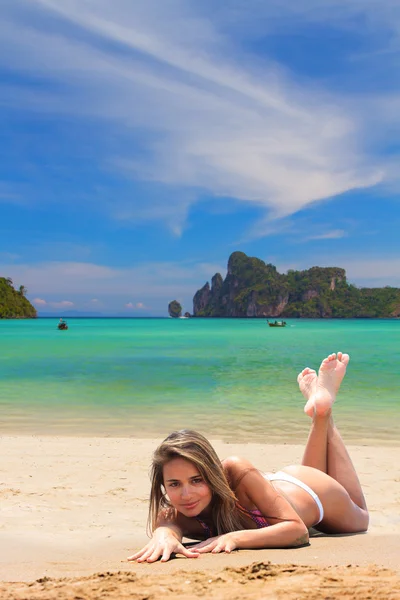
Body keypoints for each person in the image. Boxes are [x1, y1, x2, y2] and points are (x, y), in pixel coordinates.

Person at [128, 352, 369, 563]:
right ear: (163, 486)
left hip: (317, 493)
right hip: (285, 487)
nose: (186, 494)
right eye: (174, 484)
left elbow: (297, 531)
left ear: (212, 473)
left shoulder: (235, 467)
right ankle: (319, 409)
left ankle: (325, 411)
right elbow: (168, 529)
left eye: (197, 480)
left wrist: (234, 537)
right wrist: (164, 536)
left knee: (362, 519)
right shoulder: (172, 514)